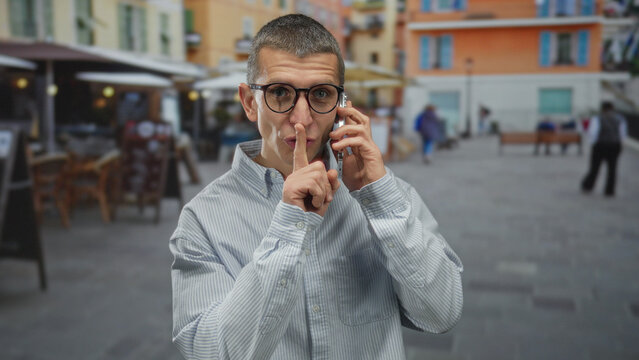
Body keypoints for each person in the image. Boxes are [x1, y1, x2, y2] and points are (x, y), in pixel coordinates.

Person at [170, 14, 463, 360]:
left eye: (321, 94)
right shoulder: (203, 218)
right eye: (280, 93)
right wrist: (290, 227)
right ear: (250, 102)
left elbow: (441, 314)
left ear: (340, 106)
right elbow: (210, 352)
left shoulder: (384, 193)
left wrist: (379, 199)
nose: (302, 118)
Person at [581, 101, 627, 197]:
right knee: (612, 168)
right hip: (614, 145)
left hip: (600, 145)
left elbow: (593, 132)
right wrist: (620, 143)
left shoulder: (598, 118)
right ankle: (610, 190)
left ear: (602, 109)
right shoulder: (619, 119)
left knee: (595, 167)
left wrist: (593, 144)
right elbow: (622, 133)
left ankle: (588, 185)